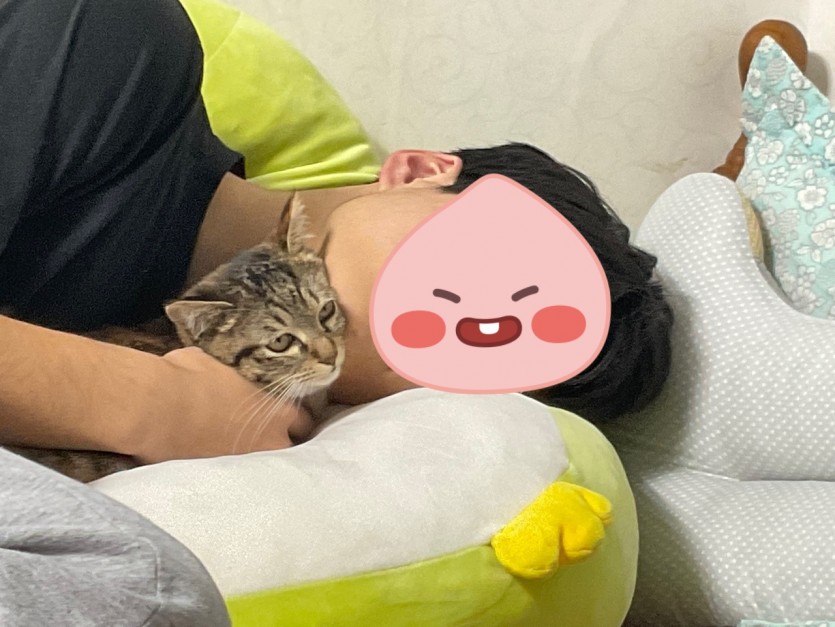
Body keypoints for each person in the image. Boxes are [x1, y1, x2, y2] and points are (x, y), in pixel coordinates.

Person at [0, 0, 672, 623]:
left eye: (481, 367)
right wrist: (156, 402)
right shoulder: (111, 50)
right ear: (418, 172)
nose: (450, 327)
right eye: (482, 271)